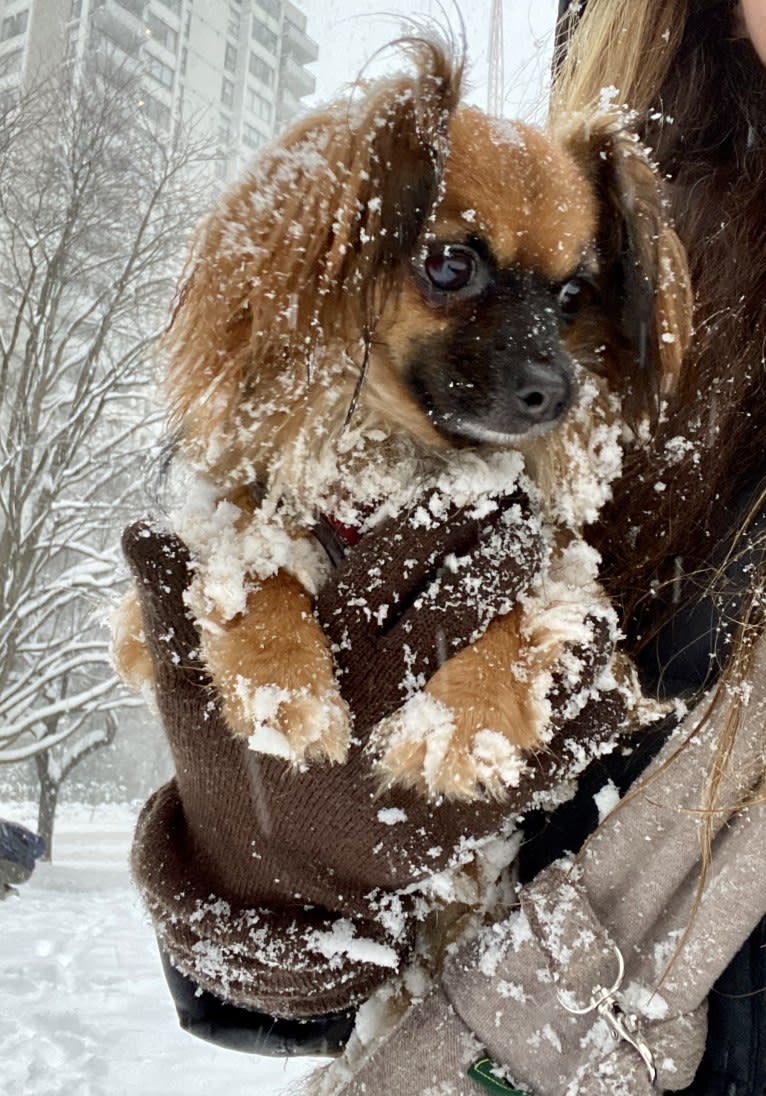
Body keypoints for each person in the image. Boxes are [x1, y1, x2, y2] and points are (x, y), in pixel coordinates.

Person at [123, 1, 766, 1092]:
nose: (538, 362)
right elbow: (290, 1002)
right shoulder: (633, 328)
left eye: (565, 299)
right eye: (452, 271)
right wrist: (269, 877)